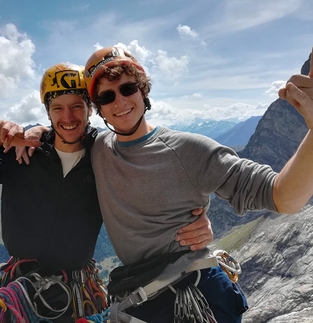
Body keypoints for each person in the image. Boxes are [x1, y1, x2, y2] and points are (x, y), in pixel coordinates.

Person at [0, 62, 214, 322]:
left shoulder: (105, 158)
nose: (68, 117)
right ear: (48, 112)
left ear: (90, 109)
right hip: (21, 288)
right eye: (58, 108)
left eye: (77, 106)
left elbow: (154, 183)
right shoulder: (23, 155)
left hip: (75, 294)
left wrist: (196, 218)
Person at [78, 46, 313, 323]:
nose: (119, 102)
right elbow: (60, 132)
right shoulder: (97, 148)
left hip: (196, 298)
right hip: (142, 301)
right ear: (99, 108)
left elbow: (282, 197)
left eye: (127, 89)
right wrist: (25, 132)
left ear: (143, 91)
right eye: (107, 96)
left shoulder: (188, 150)